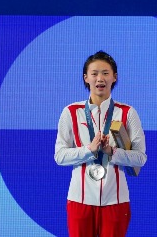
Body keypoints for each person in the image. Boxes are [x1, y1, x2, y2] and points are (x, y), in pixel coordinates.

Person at [55, 51, 146, 237]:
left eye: (105, 73)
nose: (100, 78)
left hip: (116, 200)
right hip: (79, 200)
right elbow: (60, 156)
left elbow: (140, 158)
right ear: (86, 78)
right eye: (94, 73)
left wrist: (112, 152)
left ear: (114, 77)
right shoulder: (71, 112)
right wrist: (89, 150)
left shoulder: (127, 113)